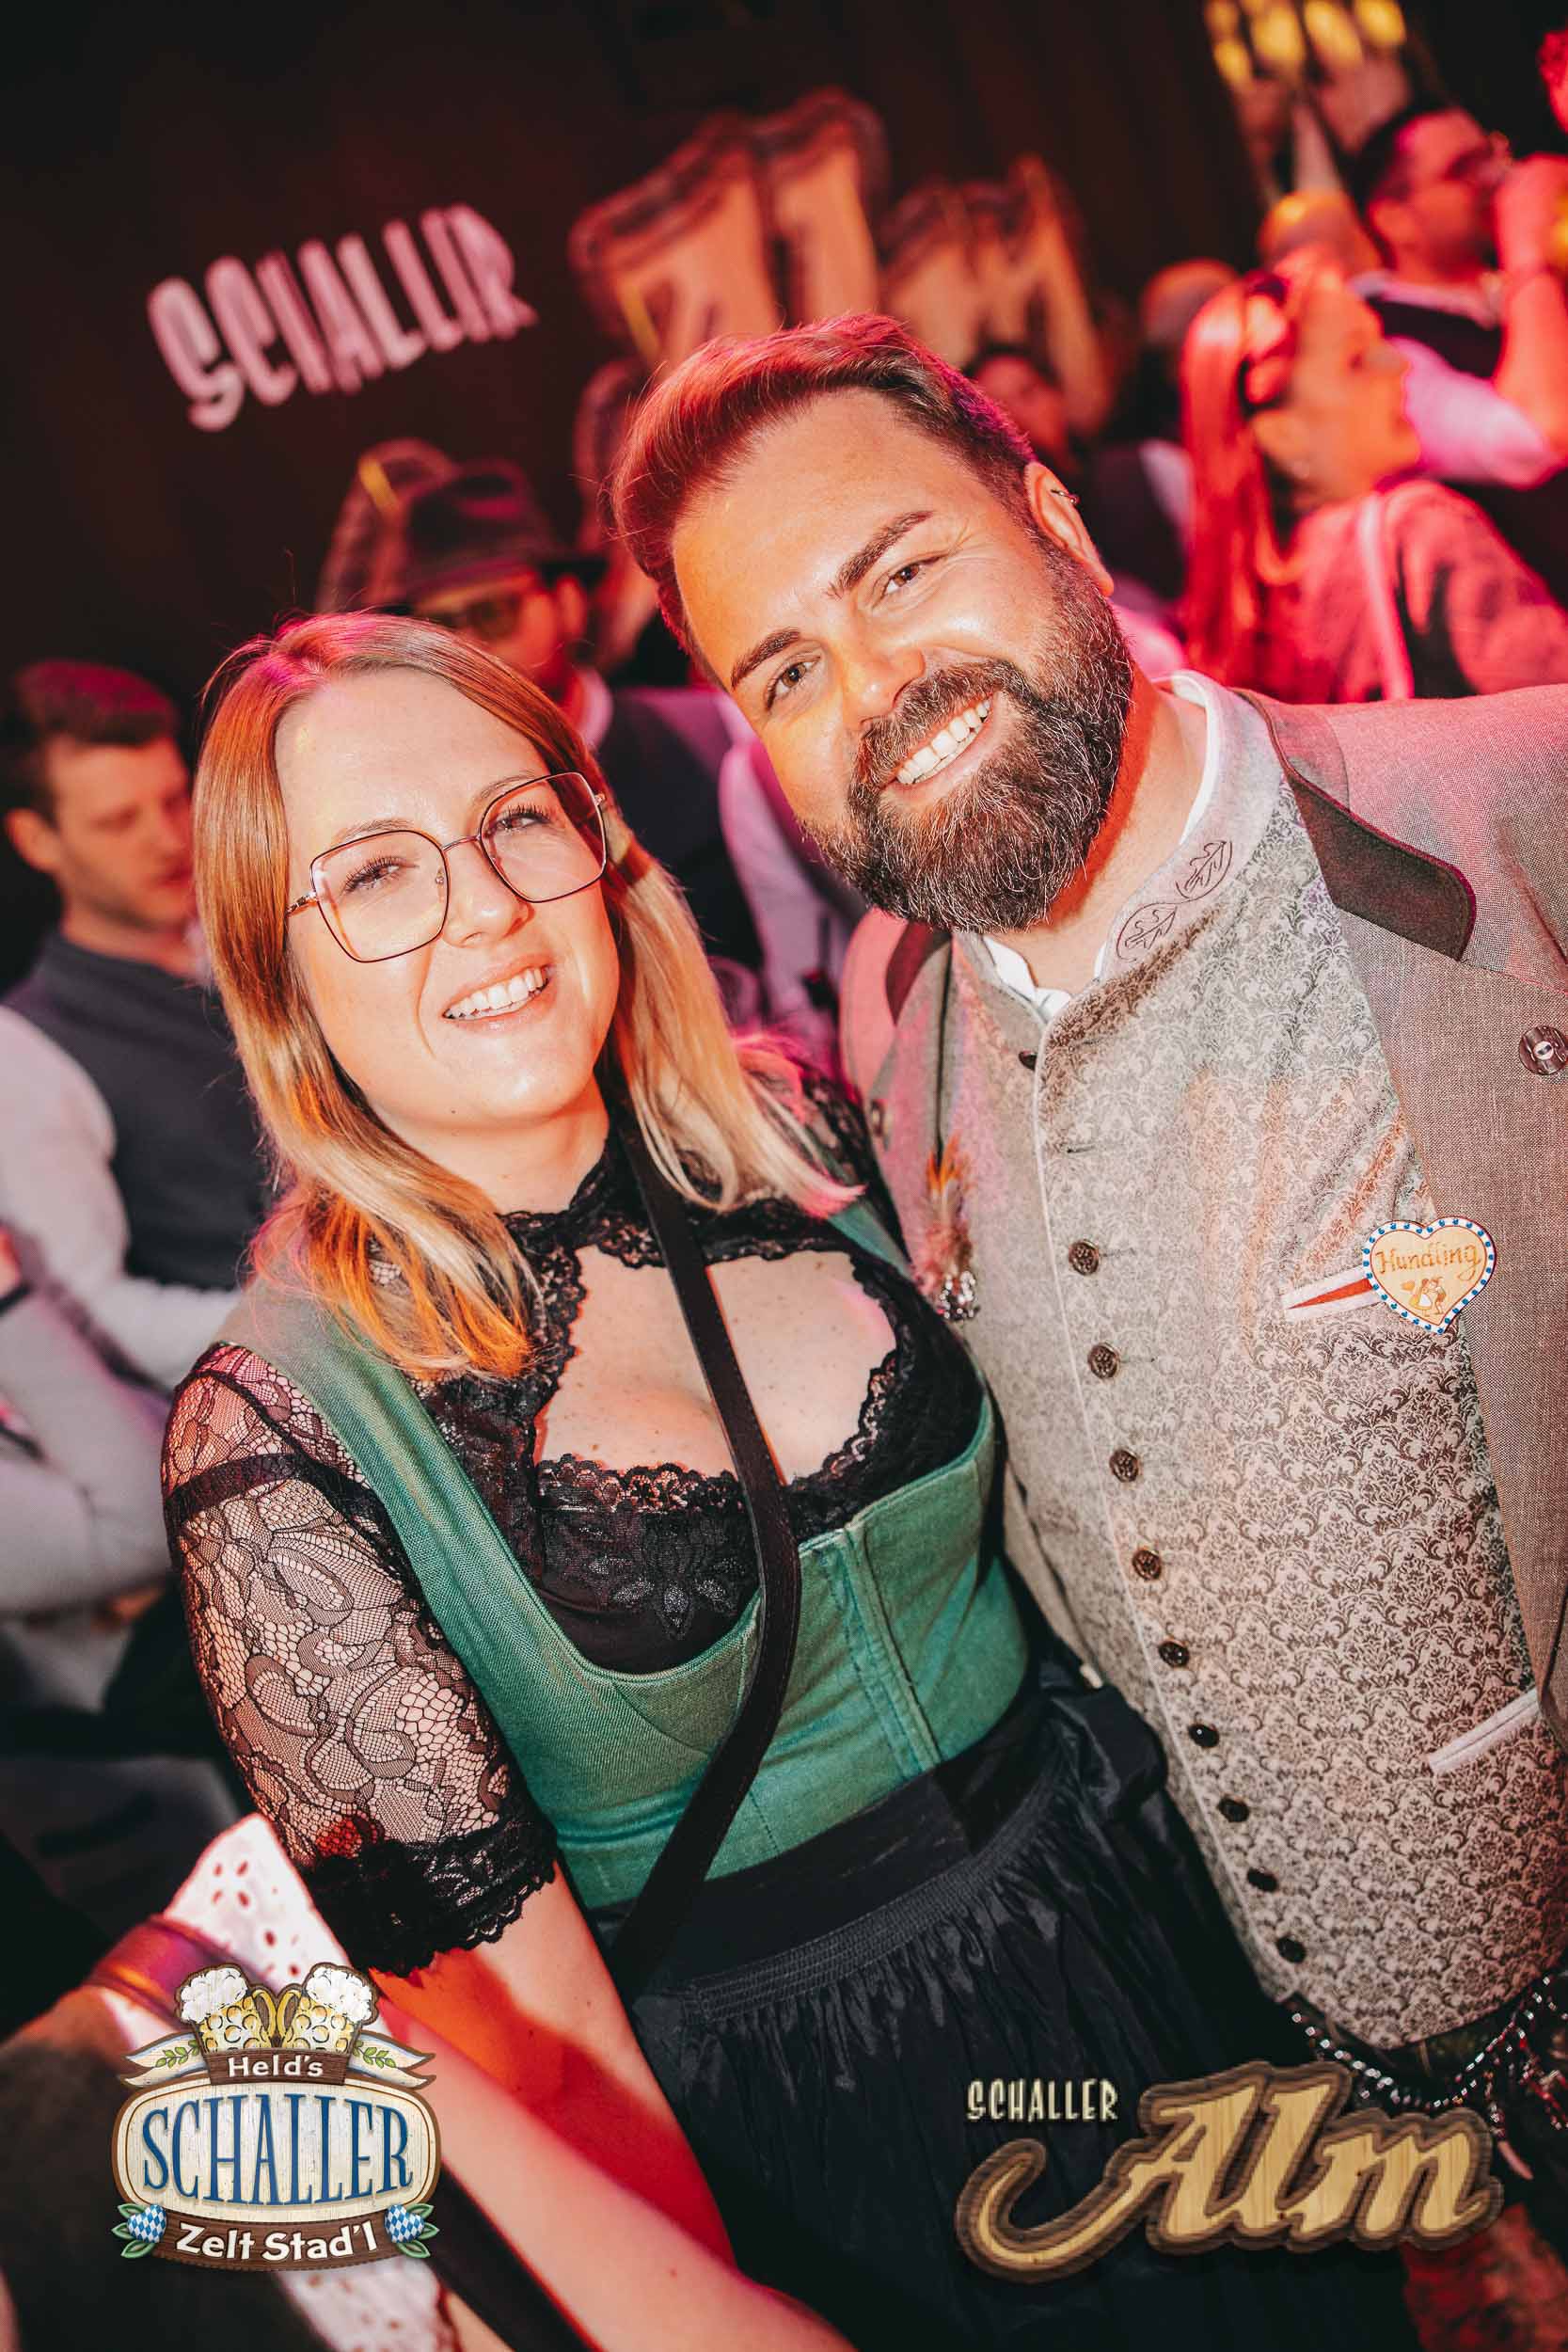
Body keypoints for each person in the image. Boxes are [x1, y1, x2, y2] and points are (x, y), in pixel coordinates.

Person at [163, 610, 1406, 2351]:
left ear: (599, 843)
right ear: (275, 971)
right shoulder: (281, 1432)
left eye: (515, 822)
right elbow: (538, 2068)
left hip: (1140, 1946)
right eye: (373, 874)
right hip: (826, 2149)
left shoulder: (796, 1131)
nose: (485, 908)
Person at [607, 310, 1568, 2269]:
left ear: (1049, 517)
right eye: (783, 667)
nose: (874, 685)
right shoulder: (893, 1022)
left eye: (901, 571)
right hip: (1310, 2149)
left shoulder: (1512, 813)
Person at [0, 662, 268, 1388]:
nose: (168, 839)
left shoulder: (259, 925)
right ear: (37, 840)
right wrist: (315, 1328)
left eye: (175, 799)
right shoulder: (25, 1050)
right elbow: (97, 1315)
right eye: (119, 821)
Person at [1180, 252, 1568, 699]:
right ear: (1282, 435)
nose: (1399, 364)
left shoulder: (1250, 607)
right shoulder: (1420, 531)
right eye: (1357, 358)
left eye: (1380, 339)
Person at [0, 1224, 235, 1941]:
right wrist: (9, 1305)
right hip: (166, 1787)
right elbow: (145, 1519)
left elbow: (166, 1434)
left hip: (210, 1674)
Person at [1346, 104, 1568, 601]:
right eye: (1463, 168)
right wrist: (1527, 254)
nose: (1495, 176)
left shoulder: (1516, 293)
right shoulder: (1385, 349)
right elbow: (1541, 436)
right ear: (1395, 220)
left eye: (1492, 153)